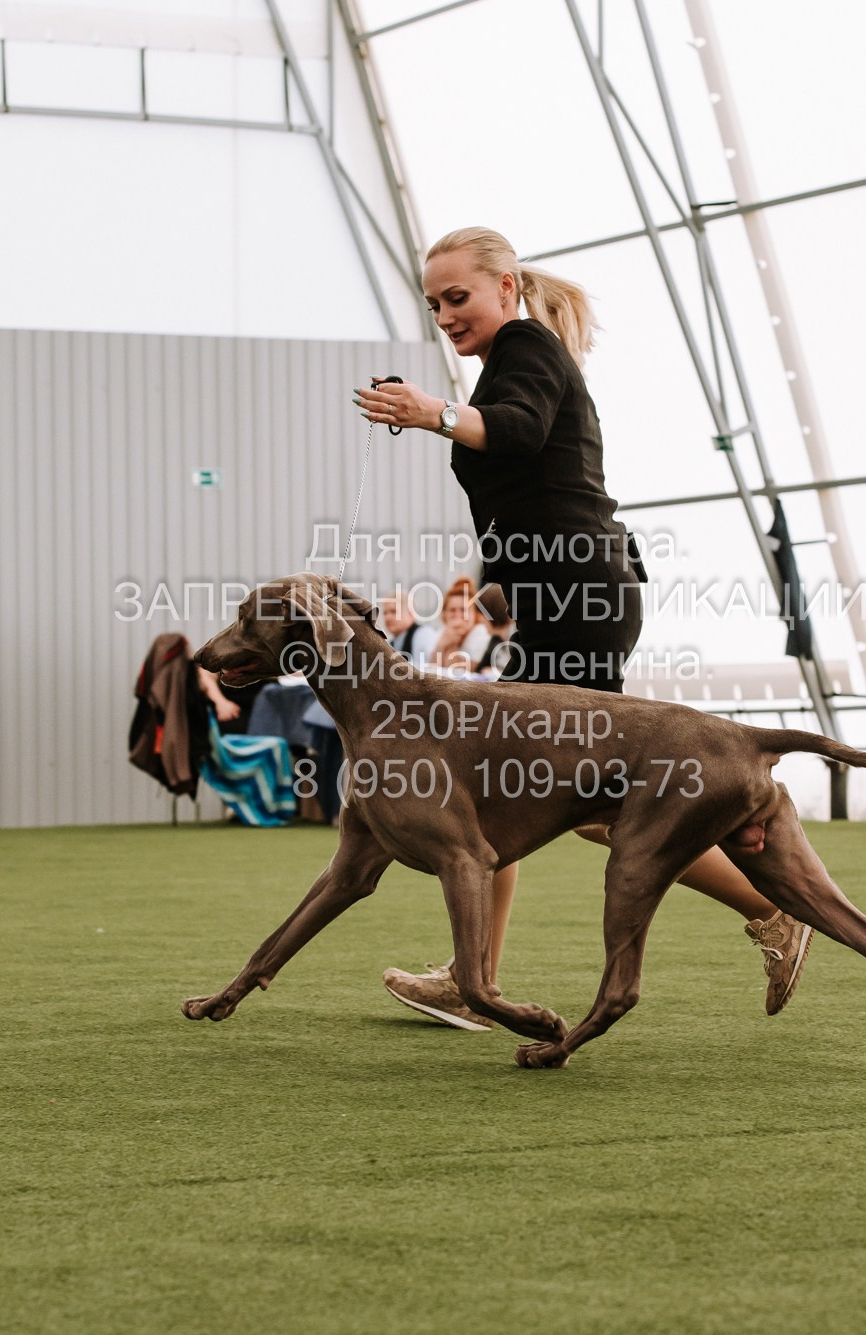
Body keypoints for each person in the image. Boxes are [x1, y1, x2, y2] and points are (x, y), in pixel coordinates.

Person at [354, 226, 814, 1030]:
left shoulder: (526, 347)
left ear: (507, 288)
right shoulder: (508, 363)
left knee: (569, 799)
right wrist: (500, 586)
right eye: (435, 304)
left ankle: (773, 905)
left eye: (457, 297)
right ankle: (476, 975)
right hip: (566, 593)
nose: (446, 315)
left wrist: (433, 413)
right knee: (520, 793)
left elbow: (523, 434)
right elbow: (526, 489)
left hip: (581, 596)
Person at [428, 574, 491, 673]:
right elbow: (431, 671)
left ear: (475, 614)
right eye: (452, 610)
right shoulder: (443, 632)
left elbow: (458, 673)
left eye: (464, 610)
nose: (458, 615)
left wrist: (452, 643)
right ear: (444, 614)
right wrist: (441, 645)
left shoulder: (481, 633)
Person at [379, 590, 440, 666]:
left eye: (393, 612)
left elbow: (435, 667)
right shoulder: (391, 644)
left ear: (411, 614)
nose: (387, 618)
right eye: (385, 613)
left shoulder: (424, 635)